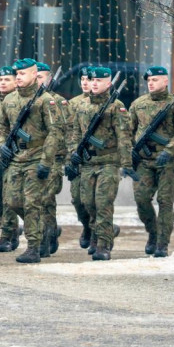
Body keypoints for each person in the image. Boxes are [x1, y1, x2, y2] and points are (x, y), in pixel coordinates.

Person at [0, 58, 62, 264]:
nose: (19, 78)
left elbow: (55, 132)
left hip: (36, 157)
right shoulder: (9, 100)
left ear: (34, 75)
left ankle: (34, 247)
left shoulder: (45, 100)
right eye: (17, 75)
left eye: (22, 74)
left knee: (33, 204)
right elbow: (1, 128)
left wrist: (46, 161)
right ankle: (44, 230)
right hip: (16, 158)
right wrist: (2, 145)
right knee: (12, 202)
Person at [65, 66, 131, 261]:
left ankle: (103, 244)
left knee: (103, 203)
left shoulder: (116, 107)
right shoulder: (82, 106)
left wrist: (126, 164)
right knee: (88, 203)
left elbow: (124, 138)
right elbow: (74, 133)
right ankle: (95, 233)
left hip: (108, 163)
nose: (94, 83)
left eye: (99, 81)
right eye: (92, 80)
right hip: (88, 163)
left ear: (108, 83)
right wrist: (73, 153)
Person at [129, 65, 174, 257]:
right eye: (148, 81)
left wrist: (169, 149)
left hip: (168, 162)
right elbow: (127, 131)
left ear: (165, 81)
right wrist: (131, 150)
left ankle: (162, 244)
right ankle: (153, 232)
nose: (151, 83)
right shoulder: (138, 104)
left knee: (165, 201)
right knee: (141, 199)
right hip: (144, 161)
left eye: (155, 80)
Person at [36, 61, 68, 256]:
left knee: (46, 198)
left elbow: (68, 130)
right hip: (32, 157)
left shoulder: (58, 102)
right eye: (35, 76)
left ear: (49, 78)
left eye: (41, 77)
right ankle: (48, 231)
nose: (38, 81)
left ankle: (45, 239)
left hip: (54, 158)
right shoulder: (27, 100)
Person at [0, 66, 21, 252]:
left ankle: (7, 234)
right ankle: (10, 227)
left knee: (10, 197)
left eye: (7, 80)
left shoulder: (20, 102)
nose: (2, 83)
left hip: (14, 156)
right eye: (0, 80)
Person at [67, 67, 94, 249]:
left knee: (93, 199)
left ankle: (97, 231)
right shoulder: (74, 103)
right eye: (82, 78)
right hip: (77, 159)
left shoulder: (107, 103)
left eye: (88, 79)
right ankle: (87, 226)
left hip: (96, 159)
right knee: (77, 199)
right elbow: (68, 130)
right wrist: (71, 154)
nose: (85, 82)